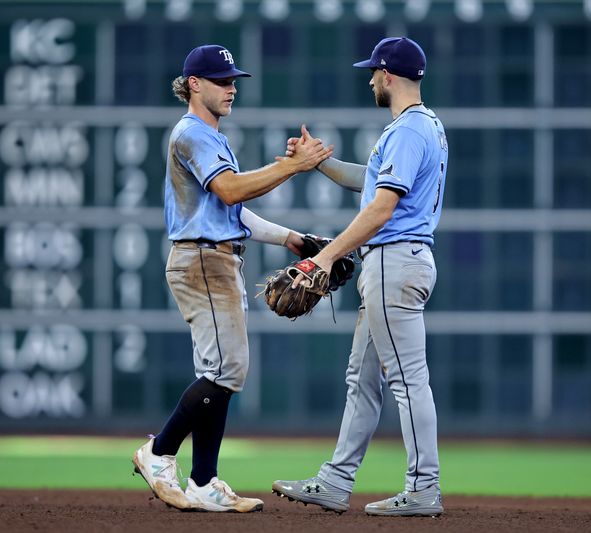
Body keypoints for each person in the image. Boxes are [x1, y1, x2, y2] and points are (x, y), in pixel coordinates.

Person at [132, 44, 332, 513]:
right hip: (203, 259)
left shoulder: (211, 137)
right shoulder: (192, 133)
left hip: (216, 257)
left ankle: (203, 481)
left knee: (219, 372)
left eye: (233, 79)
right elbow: (228, 188)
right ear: (194, 84)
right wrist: (292, 166)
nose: (232, 87)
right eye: (222, 80)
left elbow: (232, 209)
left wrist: (292, 239)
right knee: (228, 370)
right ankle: (159, 452)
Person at [272, 37, 448, 517]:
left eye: (374, 72)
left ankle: (424, 488)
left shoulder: (408, 132)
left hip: (394, 261)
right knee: (363, 380)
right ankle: (334, 482)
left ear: (388, 76)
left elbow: (382, 206)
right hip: (393, 262)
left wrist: (324, 257)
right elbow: (368, 180)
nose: (370, 78)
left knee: (408, 381)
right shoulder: (419, 127)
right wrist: (319, 162)